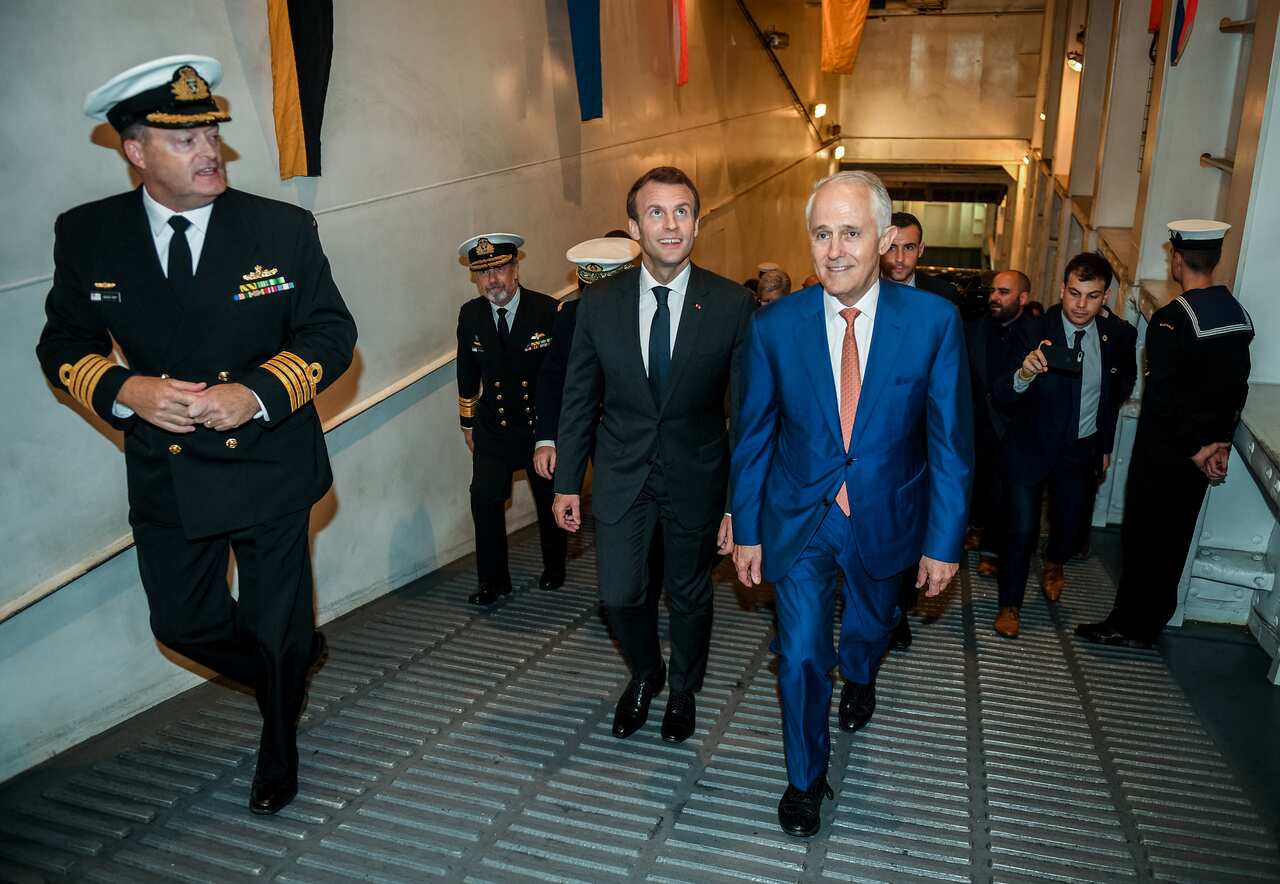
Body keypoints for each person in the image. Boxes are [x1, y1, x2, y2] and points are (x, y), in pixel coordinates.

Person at [35, 56, 357, 815]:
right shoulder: (88, 236)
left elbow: (331, 333)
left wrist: (256, 393)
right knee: (181, 621)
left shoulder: (279, 228)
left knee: (276, 625)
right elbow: (62, 346)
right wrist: (126, 390)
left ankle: (279, 743)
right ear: (135, 151)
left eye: (211, 130)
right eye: (183, 139)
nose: (209, 149)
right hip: (167, 465)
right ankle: (285, 670)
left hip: (269, 458)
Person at [731, 170, 972, 837]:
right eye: (821, 233)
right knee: (803, 655)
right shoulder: (775, 327)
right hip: (801, 521)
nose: (834, 250)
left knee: (865, 634)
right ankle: (805, 779)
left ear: (887, 239)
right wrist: (746, 528)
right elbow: (752, 436)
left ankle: (863, 674)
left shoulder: (933, 323)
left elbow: (951, 443)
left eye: (851, 232)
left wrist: (944, 542)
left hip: (887, 518)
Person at [552, 166, 753, 745]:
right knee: (618, 595)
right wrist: (568, 481)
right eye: (656, 213)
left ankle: (684, 691)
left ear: (696, 222)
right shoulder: (599, 303)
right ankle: (646, 672)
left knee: (690, 594)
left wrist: (738, 507)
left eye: (682, 212)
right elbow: (578, 397)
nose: (670, 224)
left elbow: (744, 415)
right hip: (621, 472)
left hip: (697, 474)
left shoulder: (731, 304)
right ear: (634, 226)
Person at [1077, 220, 1253, 648]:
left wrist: (1193, 447)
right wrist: (1219, 443)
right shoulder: (1237, 315)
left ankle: (1126, 622)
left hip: (1167, 451)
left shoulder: (1172, 319)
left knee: (1142, 538)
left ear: (1177, 259)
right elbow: (1237, 386)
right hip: (1205, 450)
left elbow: (1163, 398)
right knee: (1175, 539)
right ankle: (1152, 623)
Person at [990, 254, 1136, 638]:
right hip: (1029, 448)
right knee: (1020, 530)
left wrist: (1103, 441)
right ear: (1061, 289)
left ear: (1105, 296)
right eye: (1073, 293)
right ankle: (1010, 604)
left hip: (1080, 451)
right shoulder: (1030, 330)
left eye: (1091, 296)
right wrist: (1024, 372)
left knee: (1069, 528)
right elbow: (1000, 393)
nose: (1080, 305)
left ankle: (1055, 560)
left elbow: (1116, 392)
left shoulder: (1118, 337)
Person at [456, 232, 566, 605]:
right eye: (483, 273)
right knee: (483, 498)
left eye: (500, 269)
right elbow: (466, 373)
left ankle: (555, 566)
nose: (493, 280)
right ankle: (493, 581)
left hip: (540, 428)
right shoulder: (470, 315)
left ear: (516, 268)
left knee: (550, 498)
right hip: (494, 427)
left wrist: (556, 431)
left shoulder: (547, 311)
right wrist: (468, 424)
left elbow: (561, 376)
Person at [965, 270, 1033, 577]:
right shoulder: (972, 329)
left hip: (1012, 428)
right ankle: (972, 529)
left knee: (1001, 492)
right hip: (973, 424)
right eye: (993, 291)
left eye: (1004, 292)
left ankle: (991, 550)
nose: (995, 297)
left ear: (1022, 298)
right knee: (973, 485)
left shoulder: (1034, 334)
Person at [880, 211, 962, 306]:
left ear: (920, 250)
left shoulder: (944, 295)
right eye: (891, 248)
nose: (900, 259)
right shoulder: (862, 292)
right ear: (880, 247)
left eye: (909, 248)